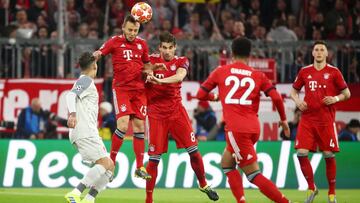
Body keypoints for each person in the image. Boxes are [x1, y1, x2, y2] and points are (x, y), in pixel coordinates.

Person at [196, 37, 291, 203]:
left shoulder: (221, 71)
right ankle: (241, 201)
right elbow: (276, 98)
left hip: (237, 130)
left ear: (232, 53)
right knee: (226, 163)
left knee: (253, 174)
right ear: (250, 55)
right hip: (253, 127)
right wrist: (283, 120)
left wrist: (215, 96)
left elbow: (200, 95)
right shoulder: (258, 75)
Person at [145, 32, 219, 203]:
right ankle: (149, 199)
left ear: (175, 47)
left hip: (177, 112)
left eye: (170, 48)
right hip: (156, 114)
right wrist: (147, 75)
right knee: (154, 160)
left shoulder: (181, 61)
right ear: (159, 47)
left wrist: (158, 80)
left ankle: (203, 184)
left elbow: (179, 76)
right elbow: (140, 73)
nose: (167, 51)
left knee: (193, 151)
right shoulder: (151, 61)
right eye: (164, 47)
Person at [93, 15, 159, 179]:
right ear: (123, 27)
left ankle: (139, 166)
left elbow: (146, 65)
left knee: (139, 128)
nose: (132, 33)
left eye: (135, 30)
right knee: (122, 125)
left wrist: (150, 71)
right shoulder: (114, 41)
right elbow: (101, 52)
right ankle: (111, 163)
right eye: (130, 30)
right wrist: (95, 56)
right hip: (122, 89)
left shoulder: (142, 44)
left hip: (139, 91)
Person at [290, 40, 351, 203]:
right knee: (301, 154)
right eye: (316, 49)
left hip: (326, 120)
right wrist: (297, 102)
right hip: (307, 120)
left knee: (328, 155)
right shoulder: (304, 71)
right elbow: (293, 92)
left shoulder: (334, 72)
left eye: (321, 50)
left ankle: (332, 194)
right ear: (312, 53)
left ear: (326, 54)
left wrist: (336, 98)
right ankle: (312, 188)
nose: (318, 52)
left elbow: (347, 93)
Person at [64, 52, 114, 203]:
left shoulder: (85, 79)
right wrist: (72, 114)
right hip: (84, 130)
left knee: (110, 166)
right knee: (104, 163)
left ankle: (89, 198)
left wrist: (95, 58)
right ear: (95, 66)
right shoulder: (85, 80)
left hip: (87, 130)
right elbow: (70, 96)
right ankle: (75, 192)